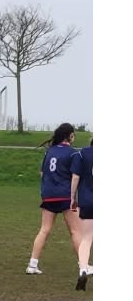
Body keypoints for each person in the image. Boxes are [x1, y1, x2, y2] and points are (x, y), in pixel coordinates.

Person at [28, 123, 82, 276]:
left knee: (44, 230)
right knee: (75, 231)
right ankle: (83, 266)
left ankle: (32, 265)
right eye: (73, 134)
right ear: (69, 136)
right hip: (65, 196)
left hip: (48, 195)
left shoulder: (49, 152)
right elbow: (76, 176)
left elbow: (42, 173)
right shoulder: (73, 153)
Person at [70, 135, 93, 292]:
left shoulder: (81, 154)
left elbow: (76, 177)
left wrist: (72, 197)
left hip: (88, 199)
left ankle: (83, 269)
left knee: (86, 238)